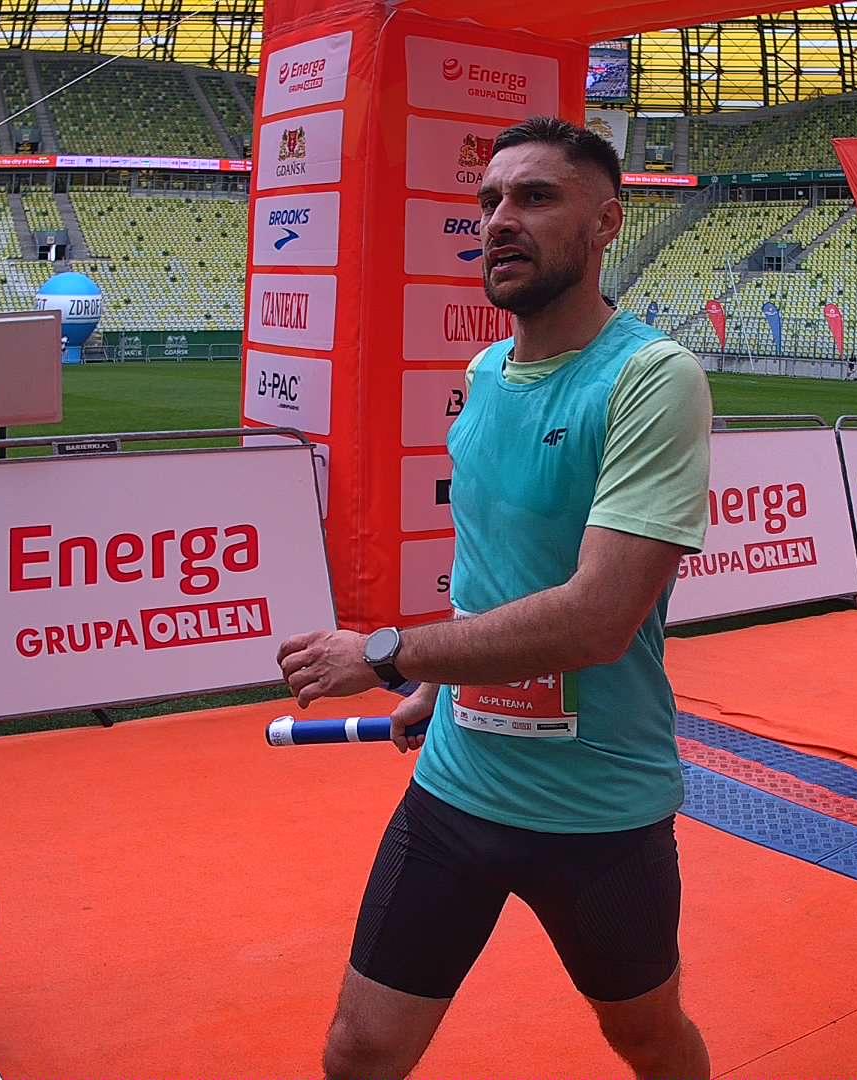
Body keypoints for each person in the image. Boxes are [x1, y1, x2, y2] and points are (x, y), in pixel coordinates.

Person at [276, 116, 715, 1080]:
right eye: (490, 200)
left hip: (599, 810)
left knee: (647, 1040)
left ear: (607, 223)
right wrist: (437, 691)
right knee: (359, 1052)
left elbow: (598, 620)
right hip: (459, 788)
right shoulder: (482, 371)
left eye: (536, 197)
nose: (500, 220)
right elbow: (489, 570)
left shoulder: (652, 380)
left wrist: (386, 655)